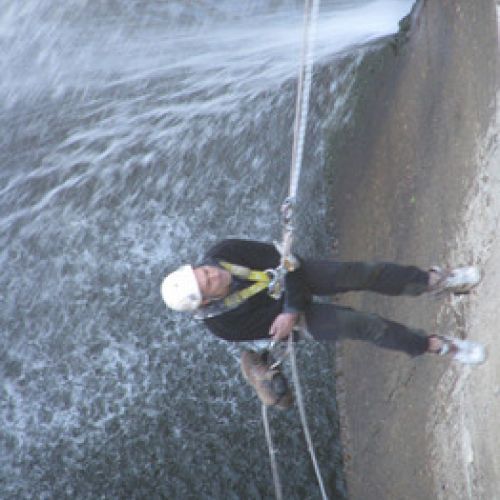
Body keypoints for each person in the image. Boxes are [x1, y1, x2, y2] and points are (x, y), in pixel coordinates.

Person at [161, 239, 485, 403]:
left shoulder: (224, 252)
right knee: (362, 325)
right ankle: (435, 345)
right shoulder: (223, 325)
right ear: (205, 302)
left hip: (293, 281)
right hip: (294, 315)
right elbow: (278, 324)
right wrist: (290, 311)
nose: (213, 274)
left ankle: (430, 281)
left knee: (361, 273)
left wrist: (289, 306)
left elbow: (285, 261)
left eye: (204, 271)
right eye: (208, 283)